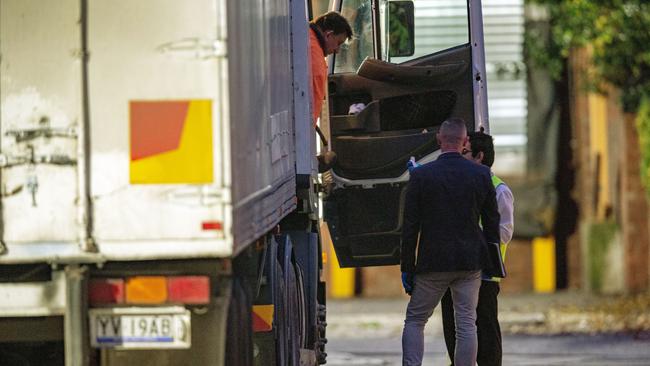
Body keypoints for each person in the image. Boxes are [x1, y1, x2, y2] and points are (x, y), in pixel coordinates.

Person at [400, 118, 500, 366]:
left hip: (432, 262)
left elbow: (410, 226)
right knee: (466, 322)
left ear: (438, 140)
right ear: (465, 141)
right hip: (470, 262)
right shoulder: (481, 174)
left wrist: (407, 267)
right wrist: (492, 263)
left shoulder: (421, 176)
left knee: (415, 319)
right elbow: (491, 223)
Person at [440, 128, 514, 366]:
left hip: (485, 273)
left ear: (479, 156)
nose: (459, 156)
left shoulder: (499, 190)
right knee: (453, 329)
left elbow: (504, 232)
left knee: (486, 330)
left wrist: (468, 233)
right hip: (456, 269)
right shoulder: (458, 184)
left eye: (465, 152)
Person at [309, 11, 353, 124]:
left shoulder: (305, 36)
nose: (337, 51)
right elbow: (310, 116)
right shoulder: (316, 61)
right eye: (338, 43)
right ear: (328, 35)